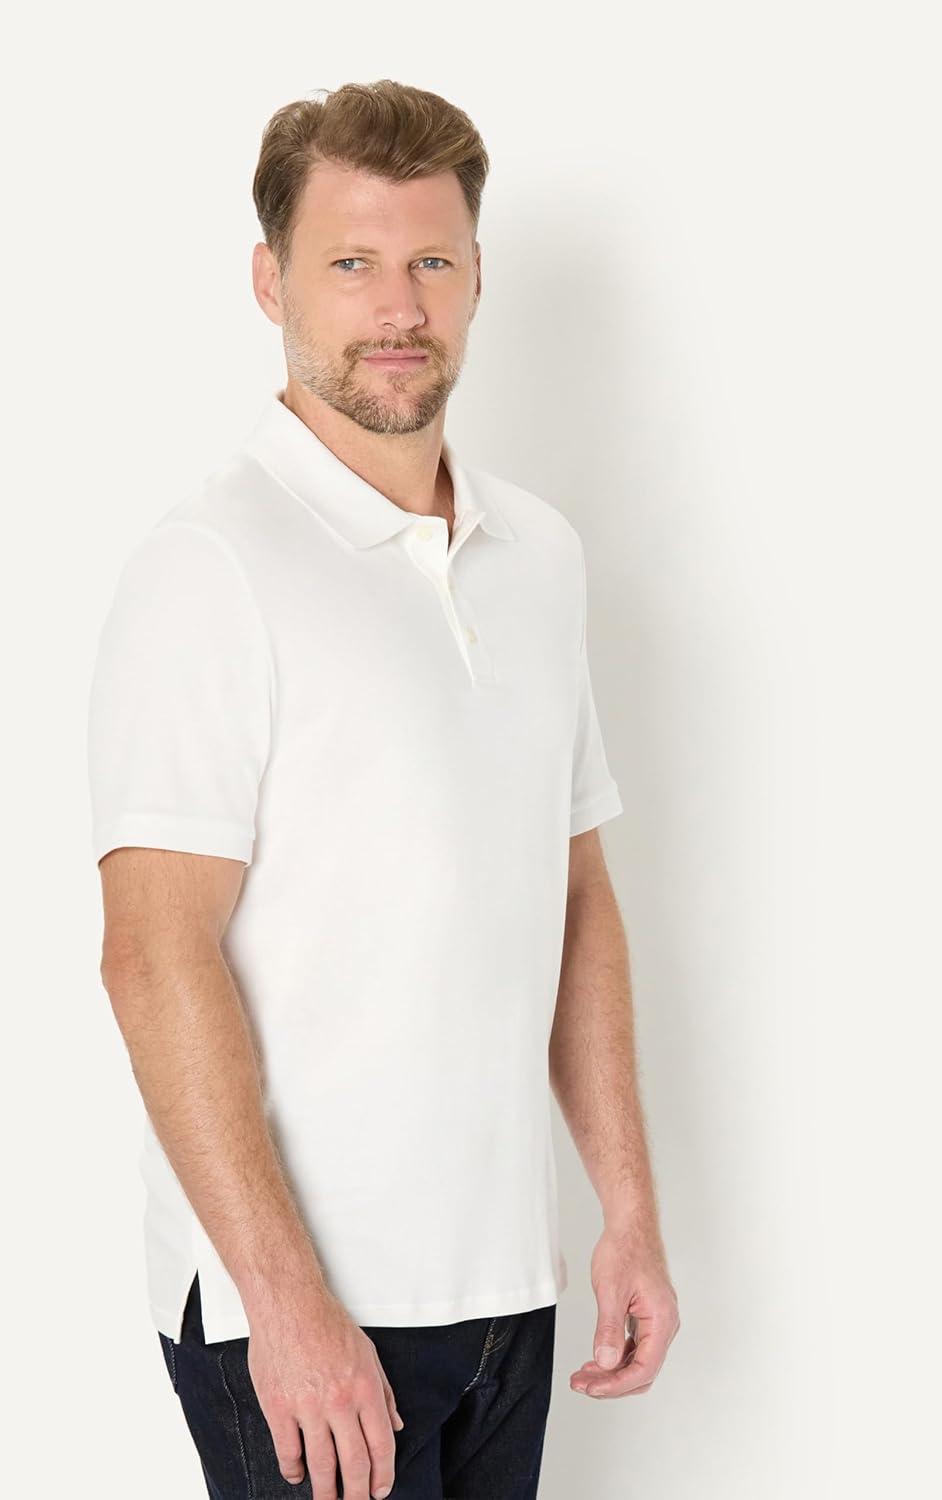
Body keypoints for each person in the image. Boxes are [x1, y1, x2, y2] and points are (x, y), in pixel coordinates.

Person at [86, 78, 679, 1500]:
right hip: (302, 1317)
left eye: (431, 261)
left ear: (477, 277)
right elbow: (154, 955)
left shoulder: (540, 557)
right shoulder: (209, 568)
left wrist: (627, 1210)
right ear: (269, 280)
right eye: (350, 262)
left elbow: (574, 894)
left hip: (508, 1291)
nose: (398, 307)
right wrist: (285, 1304)